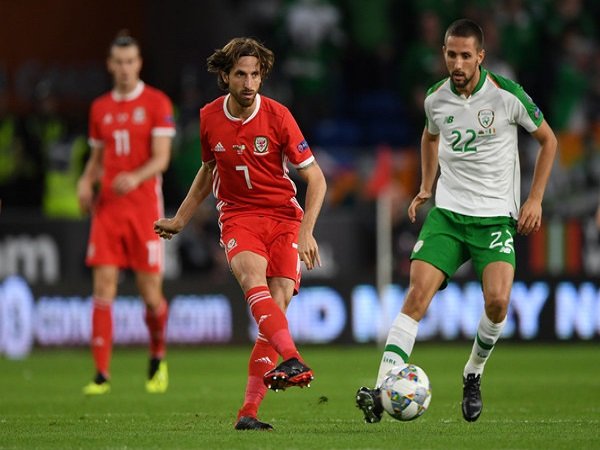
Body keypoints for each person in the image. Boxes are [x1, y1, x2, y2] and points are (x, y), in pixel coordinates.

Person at [356, 18, 557, 423]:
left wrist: (534, 199)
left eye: (466, 55)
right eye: (451, 54)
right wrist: (426, 185)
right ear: (443, 55)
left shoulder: (506, 95)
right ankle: (381, 390)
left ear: (480, 56)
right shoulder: (435, 99)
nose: (458, 63)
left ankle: (473, 373)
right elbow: (430, 137)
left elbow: (548, 140)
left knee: (498, 302)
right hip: (448, 215)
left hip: (494, 219)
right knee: (416, 297)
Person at [154, 37, 327, 431]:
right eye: (241, 75)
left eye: (255, 75)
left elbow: (316, 179)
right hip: (238, 215)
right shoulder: (208, 117)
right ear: (225, 77)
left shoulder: (279, 116)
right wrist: (180, 219)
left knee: (276, 308)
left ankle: (247, 413)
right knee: (253, 279)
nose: (249, 83)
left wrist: (306, 231)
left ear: (262, 76)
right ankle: (293, 357)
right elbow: (208, 169)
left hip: (283, 217)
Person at [77, 31, 176, 395]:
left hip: (145, 211)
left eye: (130, 61)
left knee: (151, 295)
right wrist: (85, 182)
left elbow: (162, 158)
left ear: (139, 63)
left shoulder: (156, 102)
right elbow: (98, 157)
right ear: (110, 65)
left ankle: (157, 355)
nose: (124, 68)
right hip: (108, 211)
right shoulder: (99, 107)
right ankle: (101, 374)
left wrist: (134, 176)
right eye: (118, 62)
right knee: (104, 288)